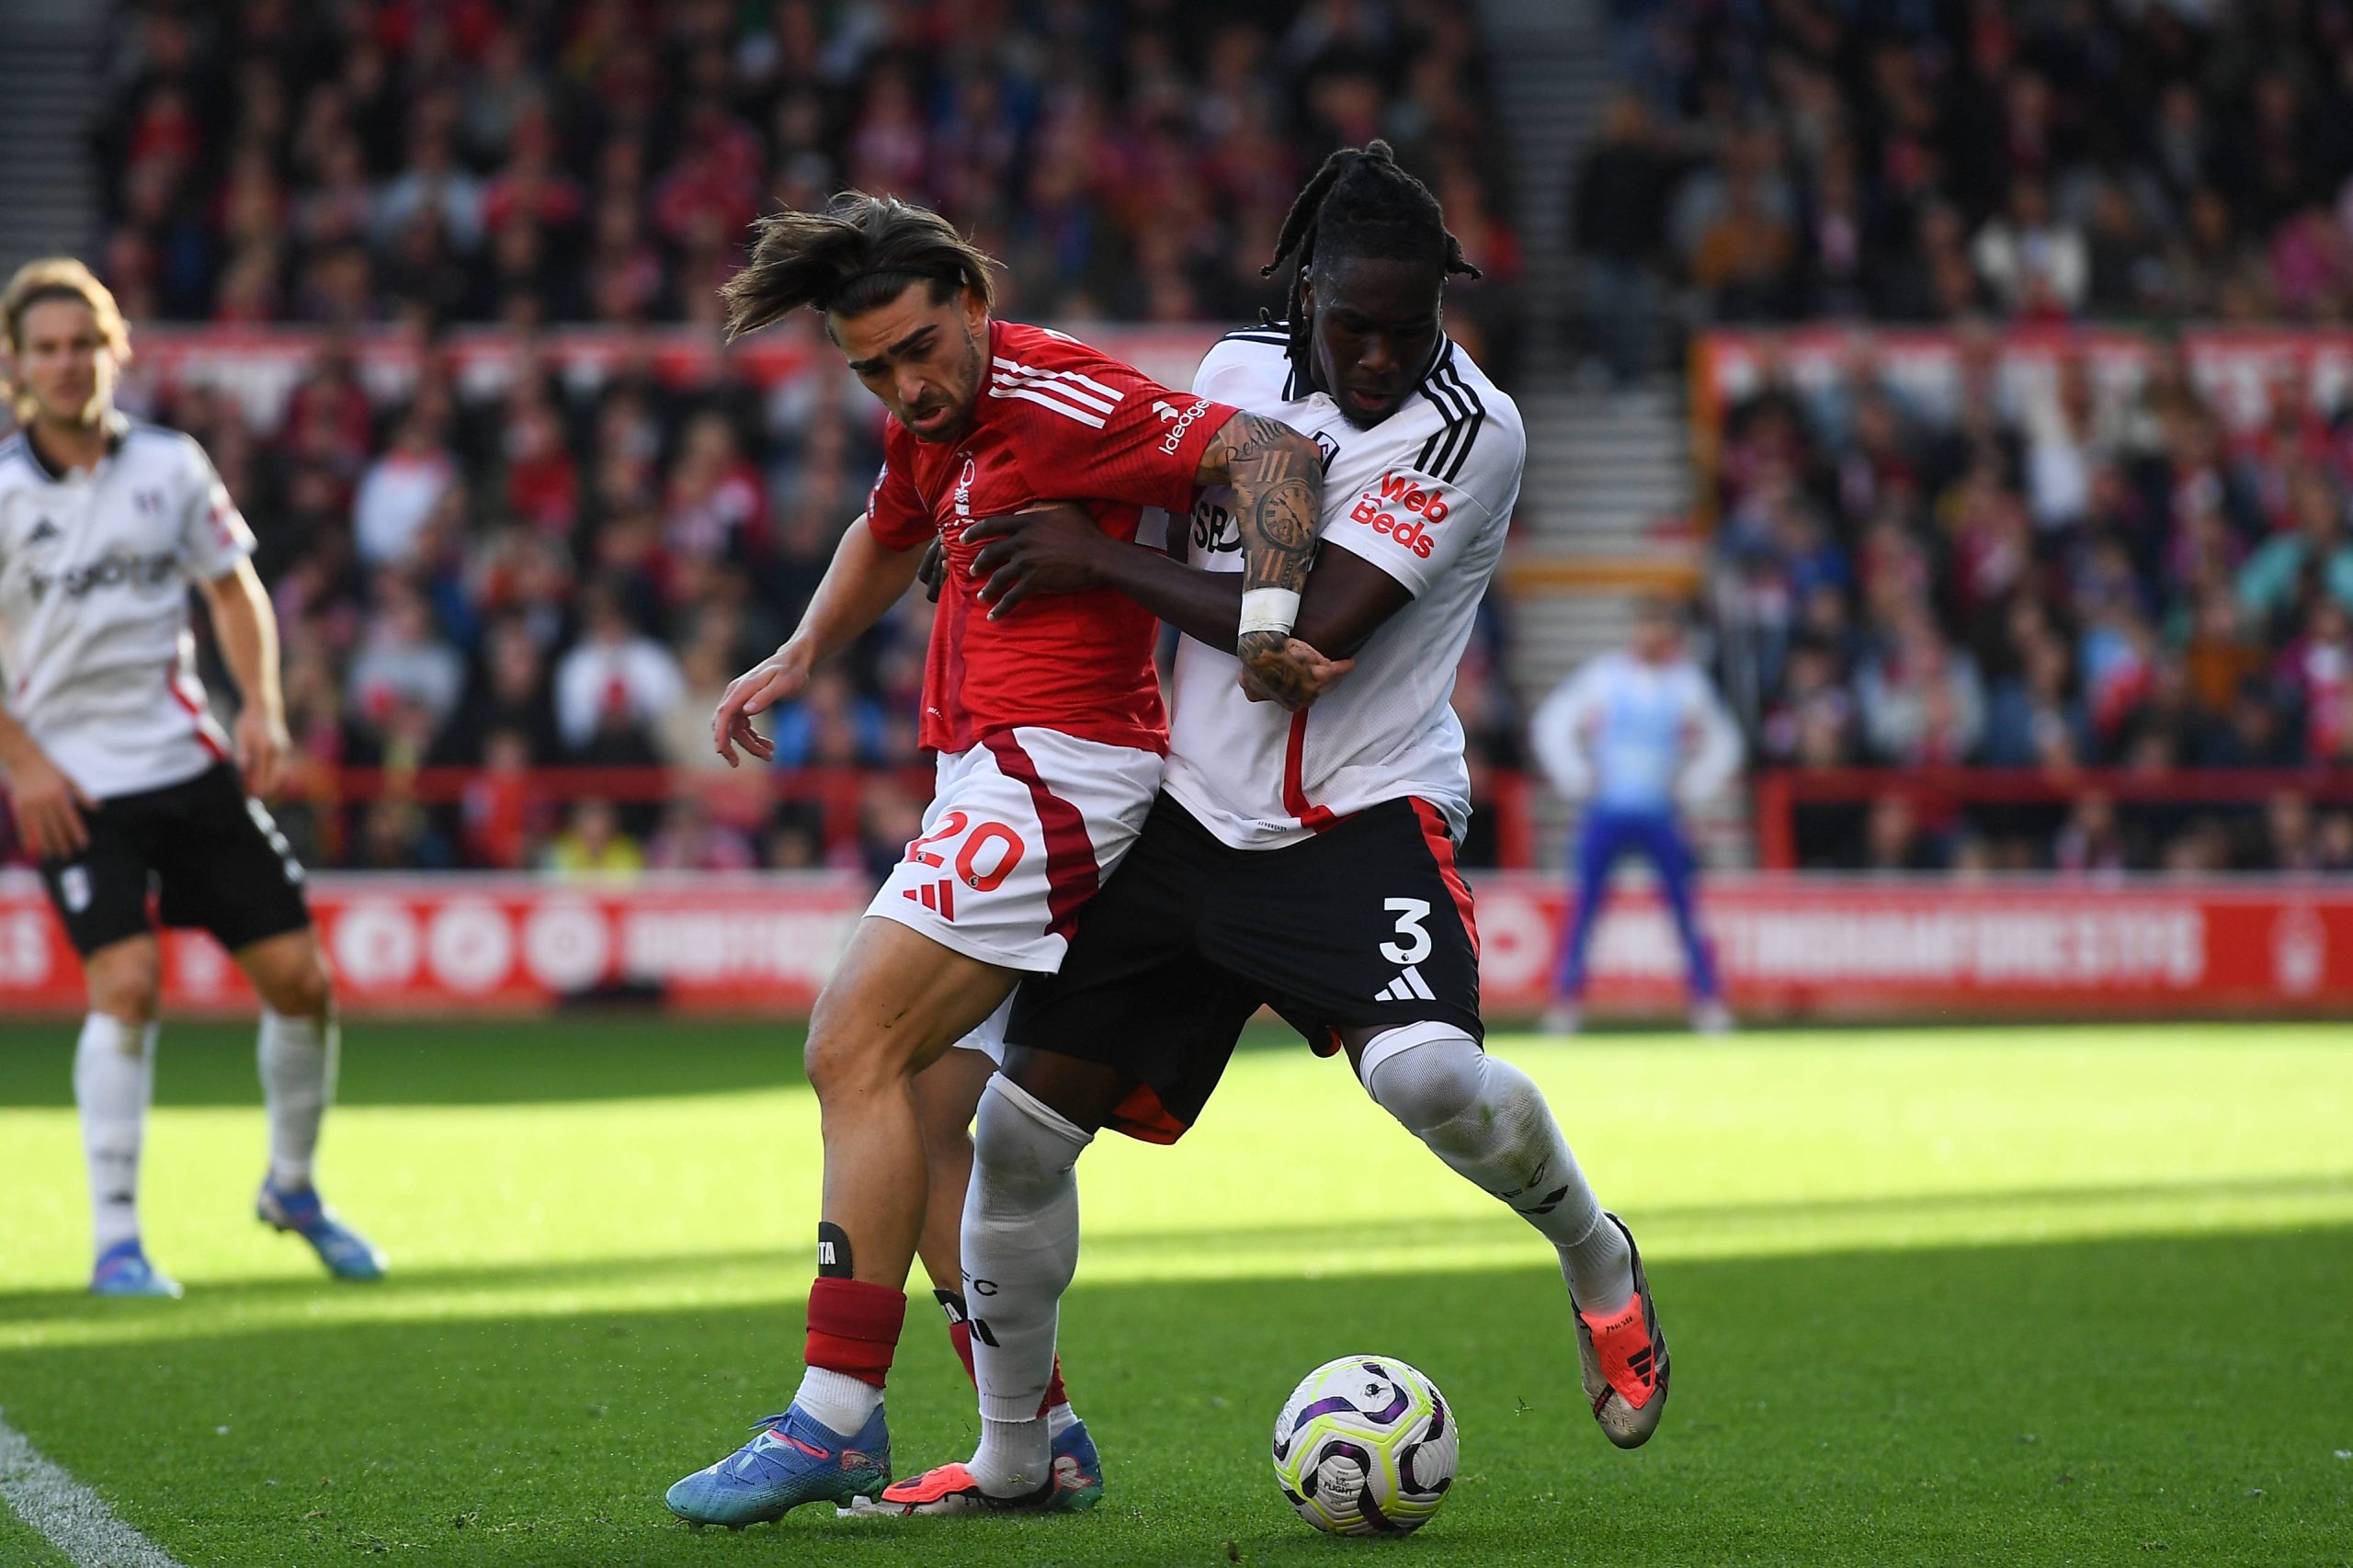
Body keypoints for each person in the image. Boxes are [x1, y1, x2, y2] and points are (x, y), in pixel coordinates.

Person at [866, 142, 1670, 1515]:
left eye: (1407, 330)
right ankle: (1018, 1453)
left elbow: (1313, 635)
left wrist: (1089, 557)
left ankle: (1597, 1253)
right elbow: (1148, 491)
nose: (1377, 357)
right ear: (1304, 292)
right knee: (1013, 1138)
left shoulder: (1475, 430)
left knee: (1426, 1081)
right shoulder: (1235, 372)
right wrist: (1004, 524)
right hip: (1182, 815)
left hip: (1360, 817)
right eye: (1352, 325)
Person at [663, 194, 1333, 1525]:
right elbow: (889, 527)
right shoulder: (942, 421)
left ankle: (833, 1413)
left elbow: (1270, 455)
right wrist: (801, 654)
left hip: (1060, 769)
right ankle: (1039, 1434)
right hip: (1001, 770)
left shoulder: (1059, 394)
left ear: (974, 301)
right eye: (872, 368)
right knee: (912, 1108)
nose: (905, 385)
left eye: (920, 348)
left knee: (845, 1045)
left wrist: (1265, 622)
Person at [0, 258, 384, 1298]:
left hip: (187, 764)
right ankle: (117, 1239)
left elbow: (233, 591)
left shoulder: (170, 466)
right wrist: (23, 759)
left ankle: (292, 1188)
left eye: (83, 342)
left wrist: (259, 702)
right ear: (16, 364)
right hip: (73, 785)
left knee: (302, 982)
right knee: (125, 984)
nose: (67, 362)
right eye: (45, 347)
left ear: (112, 349)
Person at [1530, 598, 1743, 1035]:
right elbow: (1552, 725)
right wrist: (1575, 777)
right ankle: (1565, 1003)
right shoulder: (1604, 676)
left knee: (1683, 908)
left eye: (1660, 626)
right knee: (1585, 907)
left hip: (1660, 814)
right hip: (1606, 810)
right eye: (1647, 625)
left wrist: (1693, 789)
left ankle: (1707, 1001)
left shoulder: (1687, 684)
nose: (1651, 635)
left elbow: (1725, 744)